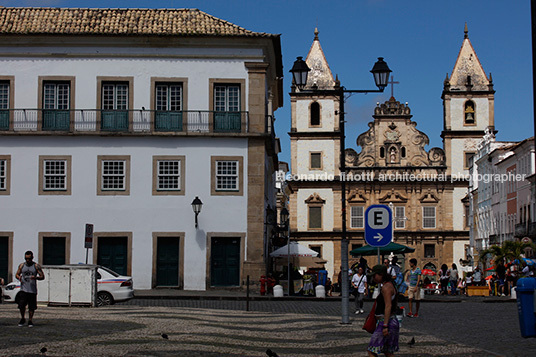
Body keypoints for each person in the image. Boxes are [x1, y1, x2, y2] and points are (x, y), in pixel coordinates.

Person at [367, 264, 399, 357]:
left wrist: (385, 326)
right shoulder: (390, 284)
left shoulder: (386, 287)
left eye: (375, 275)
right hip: (390, 321)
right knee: (388, 352)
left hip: (386, 322)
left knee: (372, 350)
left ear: (381, 274)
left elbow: (388, 305)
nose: (374, 278)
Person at [15, 251, 45, 327]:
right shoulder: (22, 265)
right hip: (23, 289)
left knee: (31, 307)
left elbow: (42, 276)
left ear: (32, 258)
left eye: (29, 259)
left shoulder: (36, 266)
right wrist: (19, 277)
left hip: (32, 290)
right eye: (26, 259)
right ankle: (22, 318)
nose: (27, 260)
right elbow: (17, 274)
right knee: (21, 305)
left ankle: (30, 320)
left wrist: (36, 277)